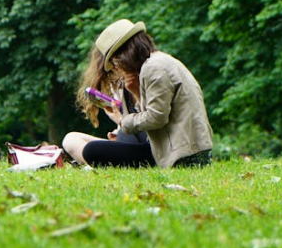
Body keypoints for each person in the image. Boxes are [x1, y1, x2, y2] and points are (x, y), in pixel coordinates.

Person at [62, 19, 213, 168]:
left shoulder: (154, 68)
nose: (117, 67)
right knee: (78, 140)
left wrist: (122, 121)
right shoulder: (156, 63)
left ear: (124, 53)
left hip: (183, 156)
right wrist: (134, 91)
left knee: (92, 151)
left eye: (115, 62)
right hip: (174, 149)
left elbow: (156, 118)